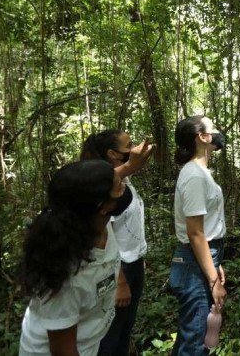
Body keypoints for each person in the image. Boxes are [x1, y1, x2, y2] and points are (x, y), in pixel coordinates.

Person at [18, 160, 133, 355]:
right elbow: (63, 351)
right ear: (102, 205)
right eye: (119, 187)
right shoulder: (65, 277)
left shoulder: (97, 225)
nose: (124, 187)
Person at [80, 130, 151, 356]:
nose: (134, 148)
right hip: (117, 270)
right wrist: (120, 281)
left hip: (132, 264)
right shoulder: (102, 190)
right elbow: (103, 235)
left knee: (123, 331)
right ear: (112, 153)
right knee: (110, 335)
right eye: (128, 145)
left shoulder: (121, 179)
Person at [171, 116, 228, 356]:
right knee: (195, 338)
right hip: (194, 263)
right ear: (202, 137)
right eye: (212, 129)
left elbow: (206, 227)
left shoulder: (201, 172)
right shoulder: (194, 175)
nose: (216, 132)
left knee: (193, 334)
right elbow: (195, 233)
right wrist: (213, 280)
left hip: (203, 257)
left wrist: (215, 264)